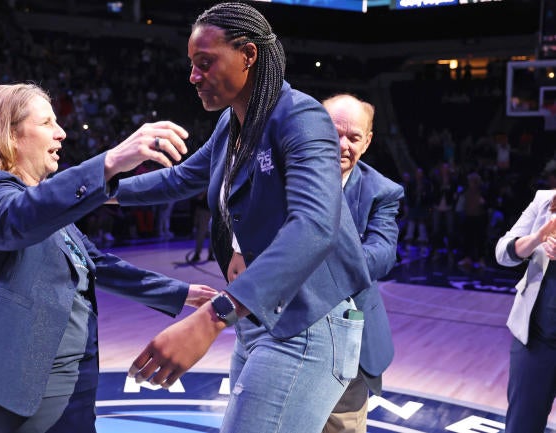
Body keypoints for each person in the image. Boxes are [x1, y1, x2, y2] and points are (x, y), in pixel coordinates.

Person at [114, 3, 371, 432]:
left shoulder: (300, 116)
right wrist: (91, 189)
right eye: (192, 65)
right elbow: (179, 180)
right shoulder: (233, 123)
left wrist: (214, 314)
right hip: (258, 316)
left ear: (248, 55)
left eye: (205, 63)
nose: (193, 76)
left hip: (307, 319)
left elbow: (314, 226)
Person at [0, 83, 217, 433]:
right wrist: (110, 162)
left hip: (72, 378)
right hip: (25, 387)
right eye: (46, 123)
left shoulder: (45, 205)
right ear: (10, 135)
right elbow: (21, 218)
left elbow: (98, 264)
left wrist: (182, 292)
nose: (61, 133)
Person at [321, 94, 403, 433]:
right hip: (285, 334)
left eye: (353, 137)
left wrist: (308, 256)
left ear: (367, 142)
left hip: (348, 340)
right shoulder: (281, 177)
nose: (343, 144)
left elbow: (381, 256)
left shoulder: (382, 191)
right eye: (333, 132)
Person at [495, 186, 556, 433]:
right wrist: (537, 239)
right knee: (522, 427)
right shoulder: (545, 200)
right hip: (535, 337)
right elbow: (503, 252)